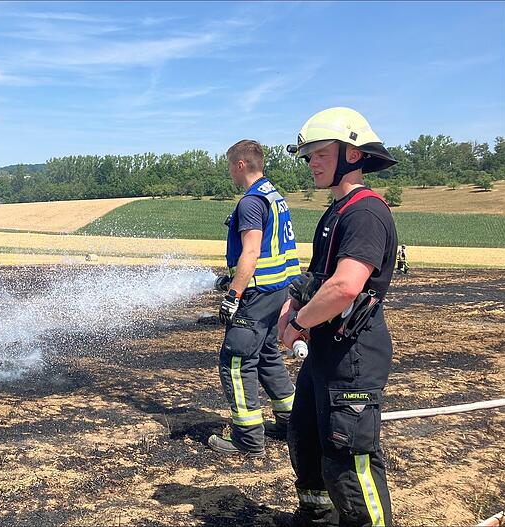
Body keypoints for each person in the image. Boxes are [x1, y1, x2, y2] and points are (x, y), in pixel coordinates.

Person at [279, 107, 399, 527]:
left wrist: (299, 324)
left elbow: (346, 285)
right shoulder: (338, 210)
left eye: (320, 154)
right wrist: (293, 304)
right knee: (307, 438)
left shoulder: (364, 213)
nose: (311, 163)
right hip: (327, 352)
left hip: (353, 356)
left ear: (352, 154)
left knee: (349, 461)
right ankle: (317, 515)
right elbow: (320, 278)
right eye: (308, 155)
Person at [207, 139, 301, 458]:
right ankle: (290, 423)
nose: (229, 173)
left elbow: (251, 252)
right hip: (278, 291)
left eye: (230, 166)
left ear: (240, 165)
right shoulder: (274, 196)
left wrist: (233, 294)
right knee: (267, 355)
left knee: (236, 360)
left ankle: (247, 438)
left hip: (256, 296)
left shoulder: (250, 202)